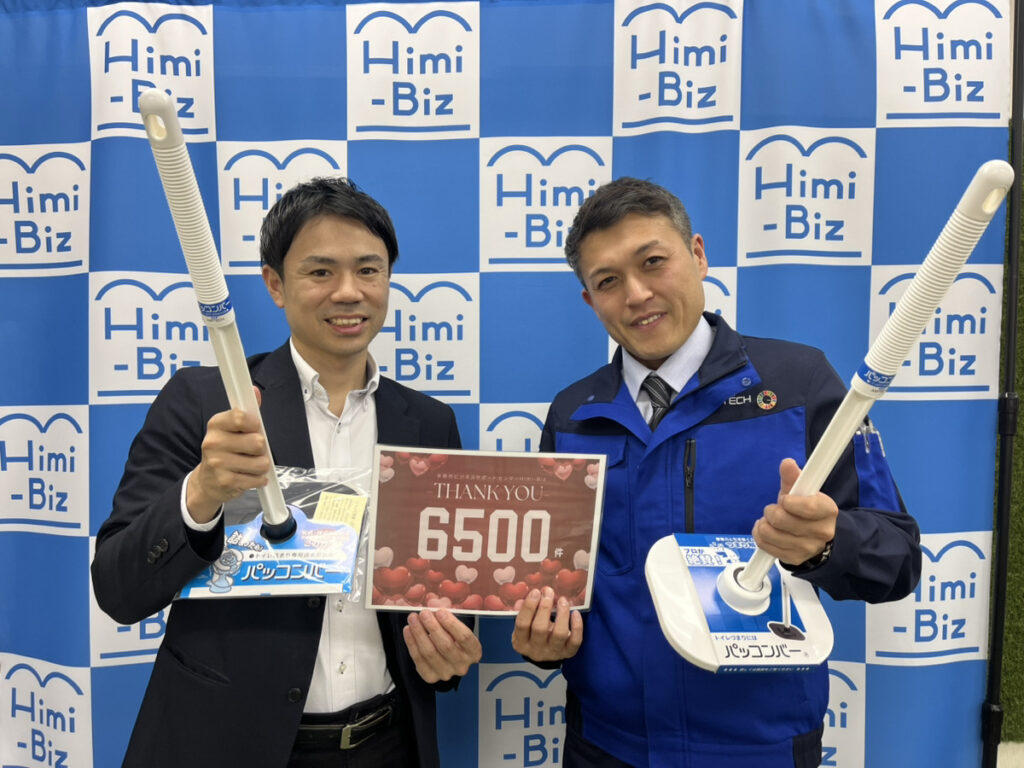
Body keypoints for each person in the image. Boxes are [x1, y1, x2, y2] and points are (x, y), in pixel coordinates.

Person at [511, 177, 921, 768]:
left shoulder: (800, 383)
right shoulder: (573, 414)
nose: (636, 294)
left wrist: (826, 544)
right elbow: (553, 586)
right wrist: (544, 642)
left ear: (698, 255)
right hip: (605, 746)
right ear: (589, 300)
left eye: (653, 262)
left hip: (762, 749)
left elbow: (898, 560)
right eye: (607, 281)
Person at [91, 177, 482, 768]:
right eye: (320, 271)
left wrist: (445, 653)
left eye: (369, 270)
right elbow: (118, 590)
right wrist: (203, 492)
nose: (348, 292)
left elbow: (444, 592)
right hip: (224, 744)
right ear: (275, 284)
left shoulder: (429, 423)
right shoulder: (206, 403)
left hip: (387, 744)